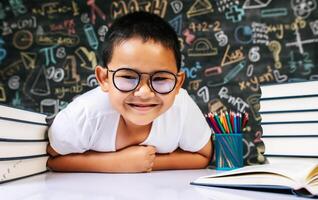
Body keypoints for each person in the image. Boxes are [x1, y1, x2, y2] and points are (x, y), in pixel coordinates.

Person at [47, 11, 212, 173]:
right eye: (127, 76)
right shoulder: (85, 115)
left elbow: (203, 156)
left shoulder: (181, 107)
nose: (144, 93)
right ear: (104, 79)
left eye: (161, 79)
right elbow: (53, 159)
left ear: (178, 84)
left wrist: (149, 163)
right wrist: (116, 163)